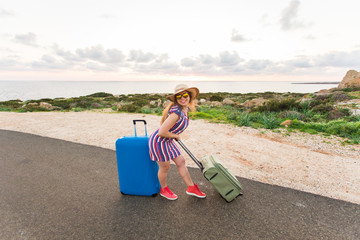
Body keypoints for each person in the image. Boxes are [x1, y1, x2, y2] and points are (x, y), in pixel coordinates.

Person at [148, 84, 206, 200]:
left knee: (181, 161)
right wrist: (175, 136)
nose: (183, 98)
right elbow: (161, 132)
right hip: (159, 141)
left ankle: (191, 188)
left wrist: (173, 136)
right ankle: (163, 189)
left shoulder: (186, 109)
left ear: (189, 96)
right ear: (176, 99)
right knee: (165, 167)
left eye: (185, 95)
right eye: (179, 96)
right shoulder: (176, 112)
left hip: (168, 140)